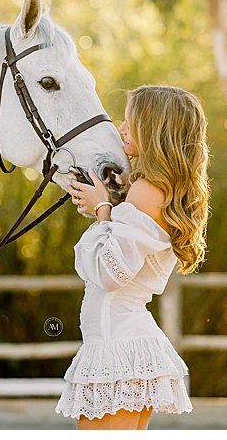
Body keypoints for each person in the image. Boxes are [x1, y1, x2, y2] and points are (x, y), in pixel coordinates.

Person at [54, 85, 210, 430]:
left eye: (131, 120)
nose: (121, 127)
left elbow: (112, 273)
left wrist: (103, 208)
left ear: (153, 129)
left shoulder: (146, 191)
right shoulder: (155, 191)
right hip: (126, 342)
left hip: (117, 344)